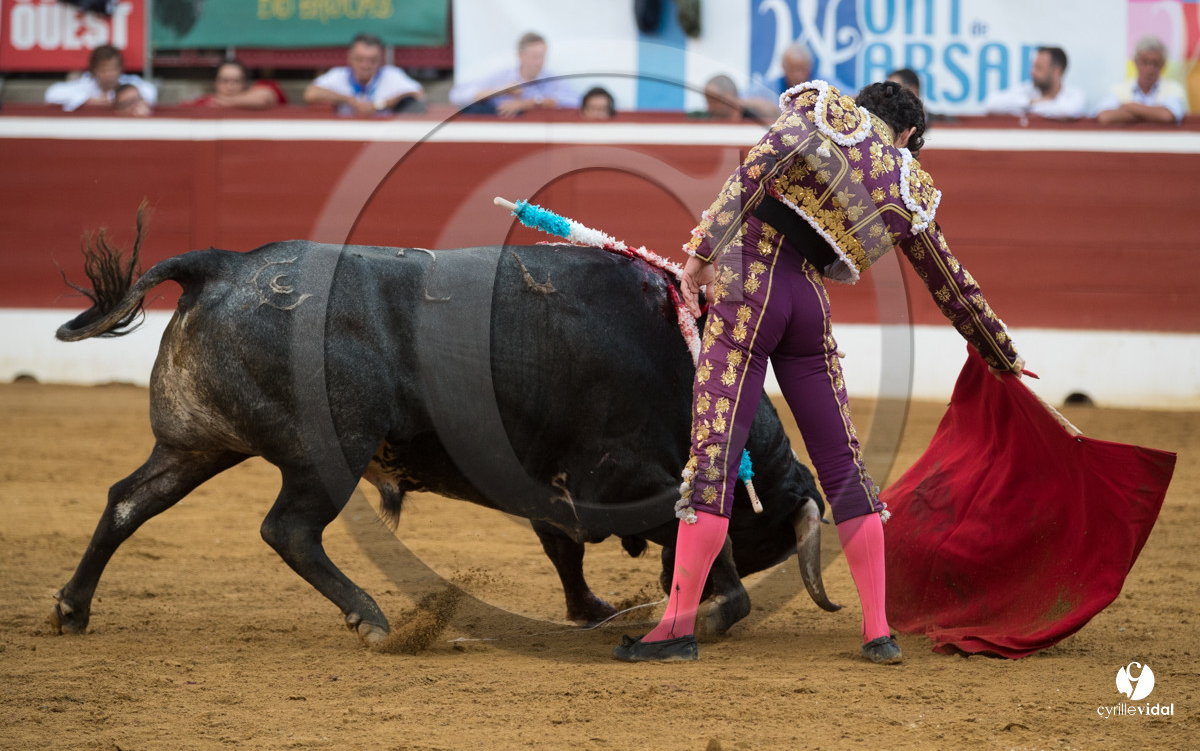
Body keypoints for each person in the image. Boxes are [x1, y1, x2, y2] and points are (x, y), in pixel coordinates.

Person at [612, 80, 1024, 665]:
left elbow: (755, 172)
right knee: (843, 467)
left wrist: (703, 252)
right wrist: (1002, 354)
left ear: (864, 105)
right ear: (908, 133)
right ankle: (878, 632)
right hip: (808, 307)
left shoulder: (822, 111)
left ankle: (675, 630)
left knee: (714, 461)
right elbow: (952, 286)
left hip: (750, 287)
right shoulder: (907, 184)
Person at [448, 32, 581, 117]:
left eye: (542, 57)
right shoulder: (503, 76)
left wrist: (532, 102)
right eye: (535, 57)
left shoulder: (551, 79)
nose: (539, 62)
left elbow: (577, 101)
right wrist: (500, 91)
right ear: (520, 56)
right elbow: (457, 95)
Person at [303, 33, 424, 117]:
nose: (365, 65)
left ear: (380, 60)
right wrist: (350, 100)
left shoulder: (391, 75)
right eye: (359, 59)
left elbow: (419, 94)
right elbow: (311, 93)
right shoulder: (339, 75)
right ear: (350, 58)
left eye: (372, 60)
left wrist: (379, 105)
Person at [1094, 36, 1188, 125]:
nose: (1149, 69)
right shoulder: (1118, 89)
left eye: (1155, 63)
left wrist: (1130, 107)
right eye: (1145, 62)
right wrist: (1152, 115)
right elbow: (1105, 116)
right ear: (1136, 62)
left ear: (1162, 65)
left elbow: (1167, 116)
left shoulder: (1173, 88)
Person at [44, 44, 157, 113]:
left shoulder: (128, 82)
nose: (108, 74)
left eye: (113, 69)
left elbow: (150, 91)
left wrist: (119, 101)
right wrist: (87, 100)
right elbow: (51, 94)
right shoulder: (85, 84)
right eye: (103, 70)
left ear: (120, 69)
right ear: (93, 71)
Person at [982, 46, 1086, 119]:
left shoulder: (1075, 94)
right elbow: (990, 104)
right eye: (1033, 67)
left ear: (1056, 71)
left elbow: (1068, 111)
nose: (1033, 72)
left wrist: (1032, 108)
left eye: (1039, 68)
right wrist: (1030, 102)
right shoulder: (1027, 91)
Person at [183, 60, 287, 109]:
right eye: (225, 80)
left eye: (236, 81)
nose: (230, 86)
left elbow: (264, 97)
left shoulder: (257, 92)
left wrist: (225, 101)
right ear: (215, 82)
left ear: (244, 82)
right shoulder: (205, 101)